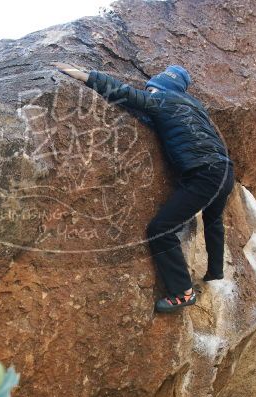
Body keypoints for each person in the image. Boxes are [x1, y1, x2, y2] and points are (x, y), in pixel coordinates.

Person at [53, 62, 235, 313]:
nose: (149, 93)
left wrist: (84, 75)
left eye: (151, 89)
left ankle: (183, 292)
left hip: (204, 173)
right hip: (225, 171)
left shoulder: (161, 99)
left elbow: (125, 94)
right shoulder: (195, 107)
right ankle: (215, 272)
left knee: (160, 229)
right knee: (213, 220)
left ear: (160, 87)